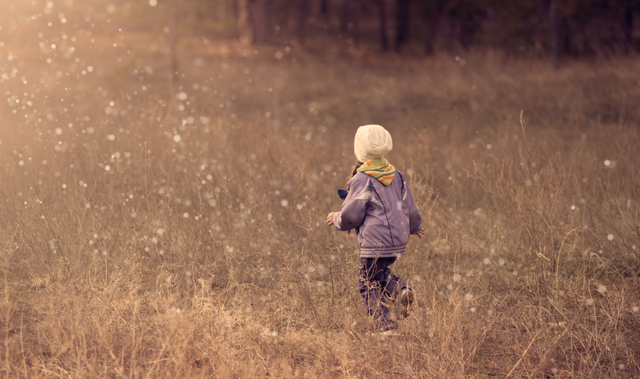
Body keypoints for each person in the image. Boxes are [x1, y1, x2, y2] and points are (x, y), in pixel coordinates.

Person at [327, 124, 424, 333]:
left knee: (367, 283)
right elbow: (410, 206)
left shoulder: (362, 179)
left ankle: (384, 325)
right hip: (397, 241)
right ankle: (400, 289)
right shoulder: (397, 175)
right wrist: (414, 226)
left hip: (375, 241)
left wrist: (336, 218)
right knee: (378, 276)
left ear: (359, 151)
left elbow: (352, 215)